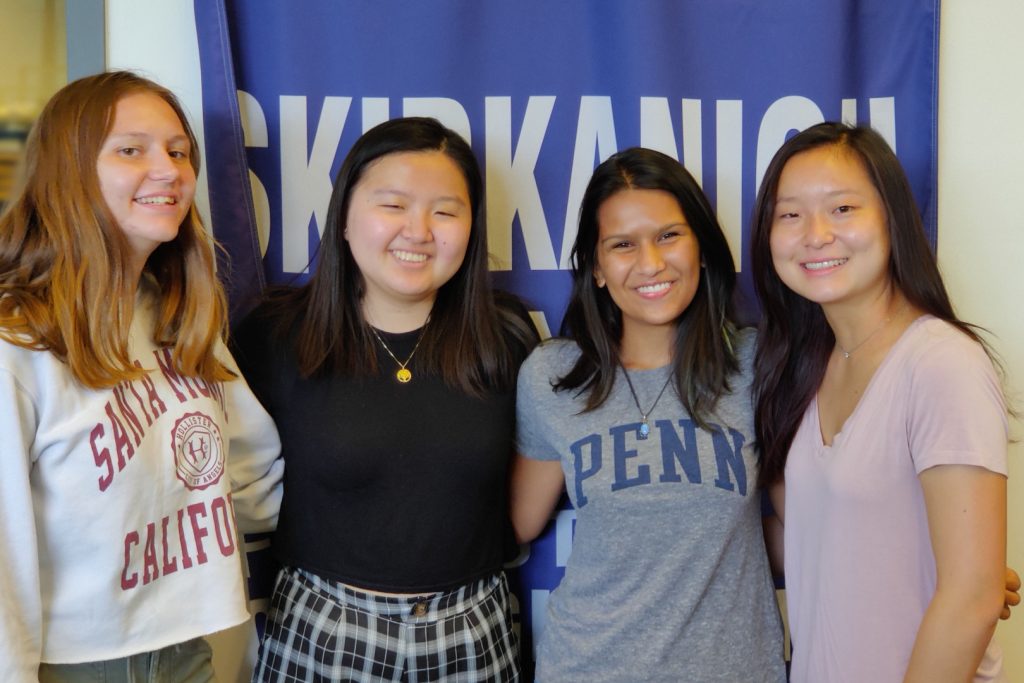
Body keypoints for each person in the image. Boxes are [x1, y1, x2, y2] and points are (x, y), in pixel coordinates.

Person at [0, 71, 283, 681]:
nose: (170, 170)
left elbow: (256, 483)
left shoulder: (177, 317)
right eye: (132, 149)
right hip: (73, 664)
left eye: (179, 151)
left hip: (188, 649)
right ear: (69, 170)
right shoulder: (14, 342)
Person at [233, 117, 537, 682]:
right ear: (344, 217)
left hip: (472, 628)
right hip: (323, 627)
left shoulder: (507, 337)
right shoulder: (275, 336)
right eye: (393, 206)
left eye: (445, 211)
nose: (419, 231)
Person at [511, 147, 786, 682]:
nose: (651, 263)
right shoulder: (552, 377)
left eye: (669, 236)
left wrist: (935, 566)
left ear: (702, 247)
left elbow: (809, 529)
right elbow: (515, 523)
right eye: (622, 245)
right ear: (595, 267)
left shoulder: (757, 367)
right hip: (587, 667)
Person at [751, 122, 1008, 682]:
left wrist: (978, 576)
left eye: (842, 209)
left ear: (892, 218)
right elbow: (823, 536)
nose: (815, 234)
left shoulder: (941, 364)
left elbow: (972, 599)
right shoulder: (806, 367)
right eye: (790, 214)